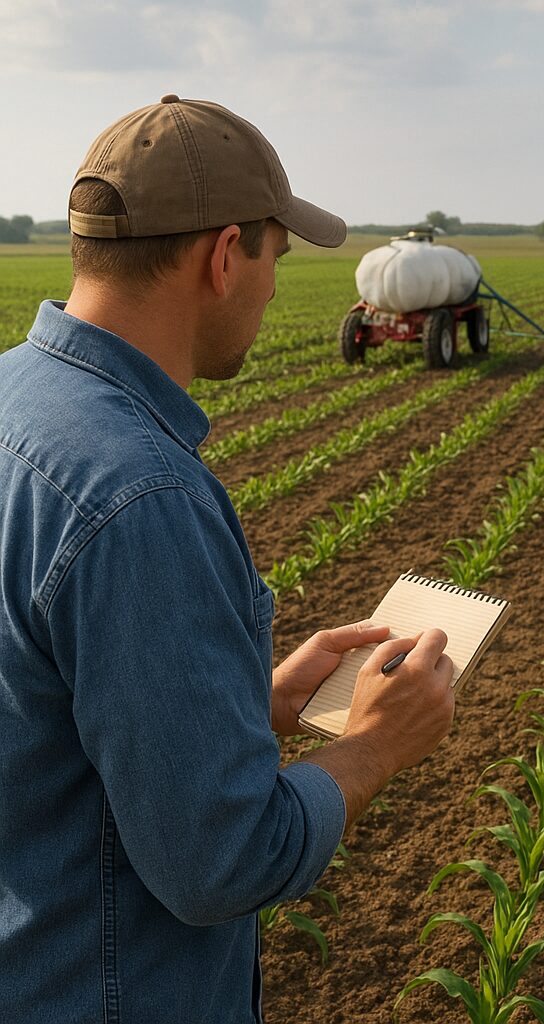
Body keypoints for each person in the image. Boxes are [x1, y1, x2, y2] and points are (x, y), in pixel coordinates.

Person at [0, 95, 455, 1023]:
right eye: (275, 260)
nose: (275, 288)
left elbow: (41, 715)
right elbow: (223, 861)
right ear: (223, 257)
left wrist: (256, 703)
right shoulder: (140, 498)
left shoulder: (14, 404)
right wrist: (376, 746)